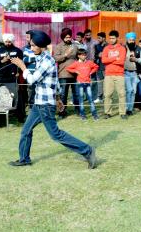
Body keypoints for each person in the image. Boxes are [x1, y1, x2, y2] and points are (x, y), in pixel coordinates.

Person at [8, 30, 97, 169]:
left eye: (33, 46)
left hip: (45, 105)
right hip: (39, 103)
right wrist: (58, 98)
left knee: (56, 135)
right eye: (30, 45)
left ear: (41, 46)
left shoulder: (47, 61)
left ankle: (87, 150)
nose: (31, 48)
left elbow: (32, 80)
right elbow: (53, 81)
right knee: (26, 131)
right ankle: (24, 159)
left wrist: (22, 66)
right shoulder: (41, 57)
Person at [0, 34, 24, 120]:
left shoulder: (18, 51)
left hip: (13, 77)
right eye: (6, 41)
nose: (8, 43)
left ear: (12, 41)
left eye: (9, 42)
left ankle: (20, 116)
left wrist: (19, 72)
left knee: (17, 96)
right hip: (1, 77)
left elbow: (22, 64)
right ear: (4, 41)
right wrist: (3, 60)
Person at [66, 48, 99, 120]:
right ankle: (83, 115)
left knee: (90, 99)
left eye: (85, 55)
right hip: (80, 83)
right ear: (78, 56)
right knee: (81, 100)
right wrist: (75, 71)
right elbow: (68, 68)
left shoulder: (89, 62)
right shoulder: (76, 63)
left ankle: (94, 114)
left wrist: (91, 72)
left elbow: (96, 67)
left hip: (87, 83)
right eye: (82, 55)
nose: (84, 56)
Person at [53, 28, 79, 117]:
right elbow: (55, 58)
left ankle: (78, 110)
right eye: (66, 37)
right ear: (63, 37)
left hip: (75, 73)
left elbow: (80, 56)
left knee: (76, 93)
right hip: (63, 73)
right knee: (63, 94)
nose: (68, 39)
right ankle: (62, 111)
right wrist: (65, 55)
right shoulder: (58, 46)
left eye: (69, 37)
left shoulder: (75, 46)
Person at [102, 30, 127, 119]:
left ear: (117, 38)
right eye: (110, 38)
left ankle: (122, 113)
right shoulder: (106, 48)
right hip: (108, 74)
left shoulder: (122, 48)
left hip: (119, 74)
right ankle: (107, 112)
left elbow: (121, 61)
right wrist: (115, 58)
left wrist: (110, 59)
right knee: (108, 95)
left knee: (121, 94)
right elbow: (103, 60)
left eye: (113, 38)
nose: (111, 40)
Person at [123, 32, 139, 116]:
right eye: (130, 40)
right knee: (128, 90)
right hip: (126, 72)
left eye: (133, 40)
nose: (132, 41)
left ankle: (130, 109)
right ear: (127, 40)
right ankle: (126, 108)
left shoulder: (137, 48)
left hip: (135, 72)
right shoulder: (123, 48)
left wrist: (136, 59)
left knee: (133, 91)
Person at [22, 31, 37, 108]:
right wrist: (34, 58)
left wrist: (30, 58)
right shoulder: (24, 48)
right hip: (29, 74)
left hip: (39, 73)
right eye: (26, 37)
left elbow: (41, 58)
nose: (26, 39)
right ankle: (32, 108)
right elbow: (24, 60)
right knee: (31, 91)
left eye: (28, 37)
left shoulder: (38, 46)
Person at [94, 31, 107, 102]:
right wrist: (98, 55)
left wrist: (104, 55)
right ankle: (99, 97)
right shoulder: (96, 46)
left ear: (104, 38)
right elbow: (95, 55)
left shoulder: (108, 46)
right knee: (99, 82)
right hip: (98, 67)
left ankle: (106, 97)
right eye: (97, 38)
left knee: (107, 83)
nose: (98, 39)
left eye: (99, 38)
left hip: (106, 67)